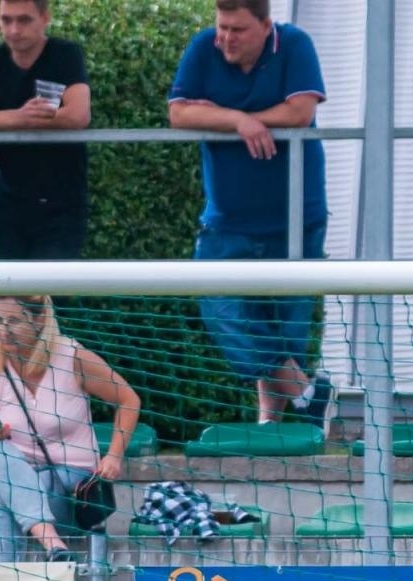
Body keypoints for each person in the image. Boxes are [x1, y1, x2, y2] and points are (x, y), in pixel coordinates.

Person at [168, 0, 332, 426]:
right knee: (219, 306)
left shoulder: (294, 44)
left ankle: (271, 423)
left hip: (296, 216)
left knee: (287, 325)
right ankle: (307, 394)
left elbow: (300, 111)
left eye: (237, 30)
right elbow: (180, 112)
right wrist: (241, 122)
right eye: (222, 27)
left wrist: (240, 120)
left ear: (265, 26)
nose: (226, 38)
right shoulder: (204, 47)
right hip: (227, 219)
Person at [0, 295, 140, 561]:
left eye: (13, 321)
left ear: (40, 320)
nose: (3, 330)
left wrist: (114, 455)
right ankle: (53, 544)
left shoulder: (74, 358)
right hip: (4, 474)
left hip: (67, 486)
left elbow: (129, 400)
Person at [0, 0, 91, 259]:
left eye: (24, 20)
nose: (14, 30)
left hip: (63, 199)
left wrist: (2, 120)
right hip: (10, 197)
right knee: (10, 290)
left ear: (45, 18)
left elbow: (78, 114)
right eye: (6, 20)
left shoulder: (65, 54)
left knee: (49, 289)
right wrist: (21, 117)